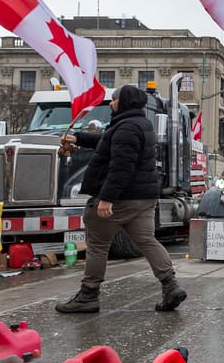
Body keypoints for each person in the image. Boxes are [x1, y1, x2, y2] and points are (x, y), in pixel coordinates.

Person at [54, 84, 187, 313]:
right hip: (143, 198)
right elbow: (106, 141)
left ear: (123, 102)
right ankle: (170, 285)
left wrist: (106, 198)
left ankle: (88, 295)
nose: (111, 103)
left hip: (121, 198)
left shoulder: (126, 128)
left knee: (97, 245)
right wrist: (77, 138)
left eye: (114, 100)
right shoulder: (138, 124)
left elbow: (121, 167)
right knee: (147, 240)